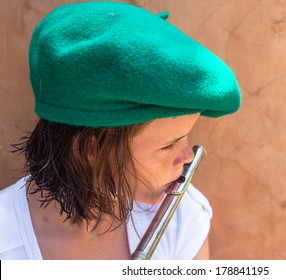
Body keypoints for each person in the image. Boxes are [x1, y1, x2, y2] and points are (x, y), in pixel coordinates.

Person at [0, 1, 241, 260]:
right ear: (89, 149)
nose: (187, 158)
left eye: (185, 139)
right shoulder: (7, 239)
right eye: (168, 145)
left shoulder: (182, 219)